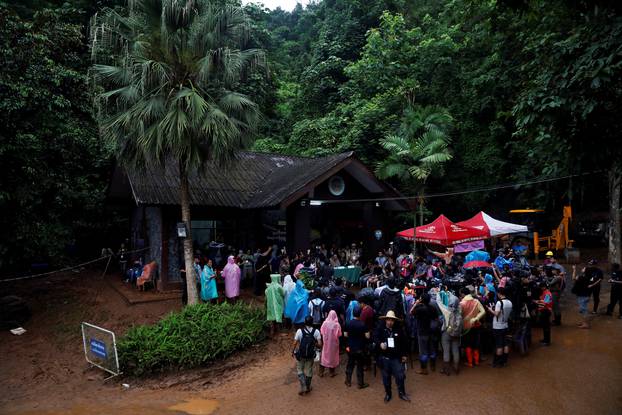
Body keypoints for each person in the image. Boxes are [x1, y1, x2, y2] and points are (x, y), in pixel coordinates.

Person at [374, 310, 410, 403]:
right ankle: (388, 394)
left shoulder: (398, 330)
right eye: (388, 320)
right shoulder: (381, 329)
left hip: (396, 358)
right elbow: (375, 338)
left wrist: (404, 355)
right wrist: (380, 343)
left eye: (392, 320)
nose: (390, 322)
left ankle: (402, 393)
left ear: (394, 321)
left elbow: (404, 343)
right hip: (384, 358)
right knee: (386, 378)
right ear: (385, 320)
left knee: (400, 376)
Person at [293, 315, 323, 395]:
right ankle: (308, 386)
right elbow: (320, 344)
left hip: (301, 354)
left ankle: (303, 386)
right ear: (312, 322)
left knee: (300, 370)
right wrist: (314, 343)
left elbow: (295, 343)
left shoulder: (299, 331)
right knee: (309, 370)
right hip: (310, 354)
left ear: (305, 322)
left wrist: (293, 351)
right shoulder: (316, 332)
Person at [411, 293, 439, 375]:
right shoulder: (433, 308)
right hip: (432, 331)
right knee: (432, 349)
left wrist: (416, 303)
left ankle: (424, 369)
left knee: (423, 351)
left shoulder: (419, 308)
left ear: (421, 300)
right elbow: (436, 319)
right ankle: (433, 366)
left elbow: (411, 312)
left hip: (422, 332)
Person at [344, 306, 370, 389]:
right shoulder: (363, 324)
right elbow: (367, 336)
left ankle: (348, 381)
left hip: (351, 348)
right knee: (360, 366)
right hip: (360, 348)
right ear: (360, 313)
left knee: (350, 364)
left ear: (353, 313)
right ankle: (360, 383)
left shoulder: (348, 323)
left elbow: (345, 335)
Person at [438, 289, 462, 375]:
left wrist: (439, 293)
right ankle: (456, 368)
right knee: (455, 350)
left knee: (446, 351)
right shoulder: (459, 311)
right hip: (456, 333)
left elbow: (439, 302)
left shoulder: (446, 310)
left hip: (447, 332)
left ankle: (446, 370)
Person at [459, 287, 486, 367]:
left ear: (463, 294)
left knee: (468, 344)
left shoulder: (461, 303)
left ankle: (470, 362)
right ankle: (476, 361)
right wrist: (476, 318)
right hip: (476, 325)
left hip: (466, 327)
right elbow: (483, 311)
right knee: (476, 343)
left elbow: (459, 316)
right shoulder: (476, 301)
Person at [487, 287, 513, 368]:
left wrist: (489, 309)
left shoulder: (499, 303)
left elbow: (496, 314)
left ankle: (496, 362)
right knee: (505, 343)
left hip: (498, 326)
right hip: (505, 325)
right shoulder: (509, 302)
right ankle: (504, 361)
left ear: (499, 293)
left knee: (498, 345)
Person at [319, 310, 342, 377]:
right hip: (334, 344)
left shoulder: (325, 323)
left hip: (326, 343)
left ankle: (321, 372)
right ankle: (332, 372)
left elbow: (321, 331)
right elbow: (339, 334)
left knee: (324, 356)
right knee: (333, 357)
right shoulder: (337, 325)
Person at [572, 264, 592, 328]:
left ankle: (586, 324)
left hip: (583, 296)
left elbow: (573, 278)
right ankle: (584, 322)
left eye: (584, 268)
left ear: (585, 271)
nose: (582, 269)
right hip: (586, 295)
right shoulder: (588, 277)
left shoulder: (582, 277)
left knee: (584, 310)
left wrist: (574, 269)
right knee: (582, 310)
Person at [535, 281, 553, 345]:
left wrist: (537, 301)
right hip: (545, 311)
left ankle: (547, 341)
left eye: (541, 287)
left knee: (546, 327)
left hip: (546, 311)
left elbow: (545, 303)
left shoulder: (547, 293)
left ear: (544, 287)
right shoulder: (545, 292)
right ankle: (545, 339)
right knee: (545, 326)